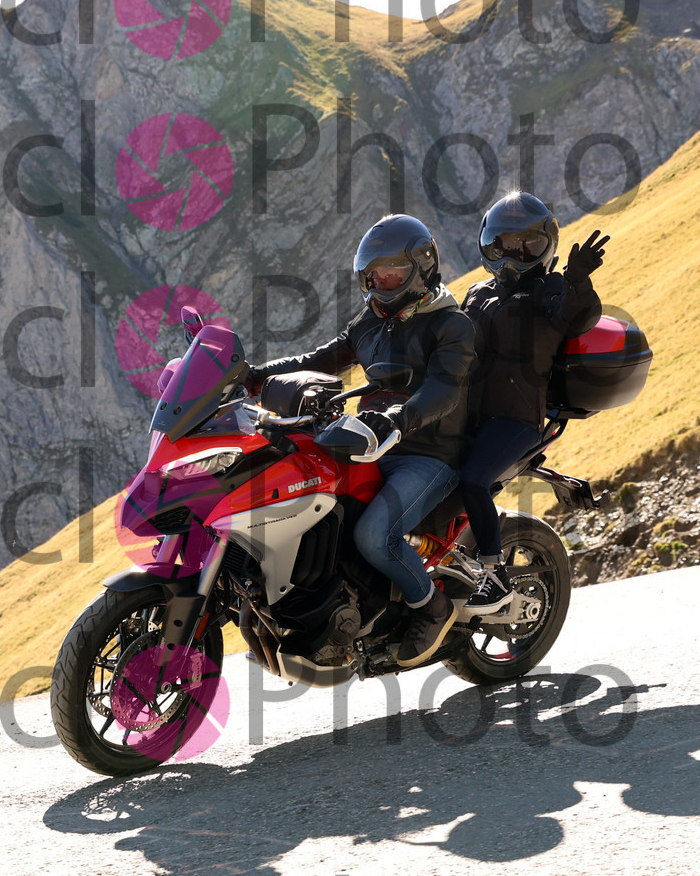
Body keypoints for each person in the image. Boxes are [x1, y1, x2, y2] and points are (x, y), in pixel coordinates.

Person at [247, 214, 476, 667]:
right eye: (372, 276)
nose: (379, 284)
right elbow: (321, 359)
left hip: (429, 454)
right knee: (310, 501)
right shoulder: (372, 321)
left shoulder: (452, 324)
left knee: (374, 535)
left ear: (421, 268)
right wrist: (253, 378)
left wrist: (396, 420)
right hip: (370, 442)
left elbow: (443, 391)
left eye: (390, 273)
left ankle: (431, 606)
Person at [458, 191, 608, 611]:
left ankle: (494, 576)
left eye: (526, 246)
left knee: (473, 480)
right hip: (466, 414)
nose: (513, 256)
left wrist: (577, 280)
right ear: (489, 246)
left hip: (516, 418)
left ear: (545, 248)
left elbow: (578, 317)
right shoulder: (477, 292)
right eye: (504, 246)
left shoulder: (552, 289)